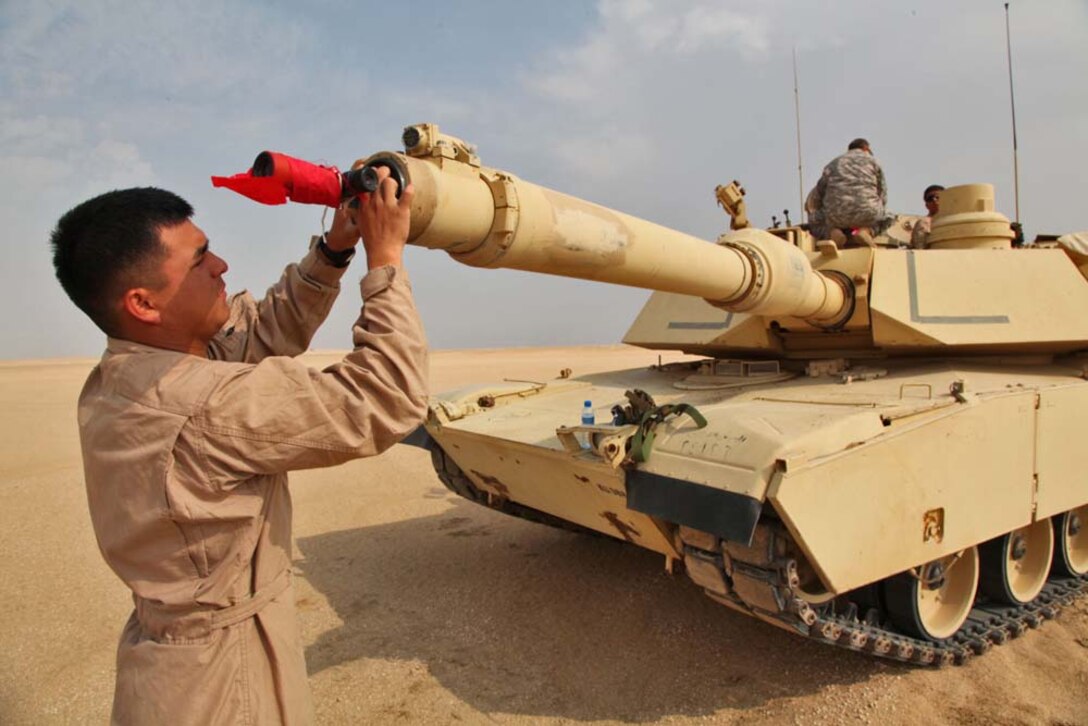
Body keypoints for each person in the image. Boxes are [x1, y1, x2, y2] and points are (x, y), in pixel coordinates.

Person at [50, 169, 428, 725]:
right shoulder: (197, 405)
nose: (221, 266)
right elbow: (386, 396)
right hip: (222, 686)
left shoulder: (135, 371)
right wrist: (386, 259)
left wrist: (335, 247)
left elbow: (257, 335)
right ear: (144, 303)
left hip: (182, 663)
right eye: (199, 259)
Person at [805, 137, 888, 246]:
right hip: (867, 214)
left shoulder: (833, 164)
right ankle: (866, 231)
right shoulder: (874, 162)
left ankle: (833, 233)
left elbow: (819, 192)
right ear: (866, 149)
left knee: (814, 221)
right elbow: (883, 193)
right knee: (887, 218)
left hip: (836, 216)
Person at [911, 184, 944, 248]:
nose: (934, 200)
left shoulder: (955, 220)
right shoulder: (924, 223)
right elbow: (920, 249)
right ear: (926, 205)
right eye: (930, 198)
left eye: (938, 197)